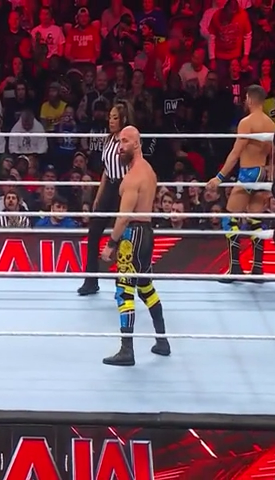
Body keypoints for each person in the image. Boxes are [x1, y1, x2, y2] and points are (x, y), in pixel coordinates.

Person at [100, 126, 170, 367]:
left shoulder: (132, 178)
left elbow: (123, 217)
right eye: (119, 142)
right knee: (146, 287)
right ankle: (162, 341)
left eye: (125, 142)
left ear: (137, 143)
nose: (120, 147)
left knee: (124, 290)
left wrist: (111, 244)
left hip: (133, 236)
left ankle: (126, 349)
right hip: (147, 232)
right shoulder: (149, 171)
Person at [207, 84, 275, 282]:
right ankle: (257, 269)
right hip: (262, 172)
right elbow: (273, 156)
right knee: (255, 219)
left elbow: (235, 153)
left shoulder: (246, 122)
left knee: (229, 217)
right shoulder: (271, 124)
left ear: (250, 99)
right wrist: (270, 180)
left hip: (249, 172)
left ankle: (235, 267)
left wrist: (219, 177)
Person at [78, 103, 131, 296]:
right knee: (94, 232)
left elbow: (133, 168)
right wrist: (98, 196)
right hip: (109, 187)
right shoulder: (108, 139)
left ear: (123, 119)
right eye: (110, 117)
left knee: (122, 236)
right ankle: (91, 281)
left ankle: (123, 282)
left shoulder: (128, 141)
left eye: (115, 117)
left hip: (124, 188)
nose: (111, 121)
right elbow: (106, 172)